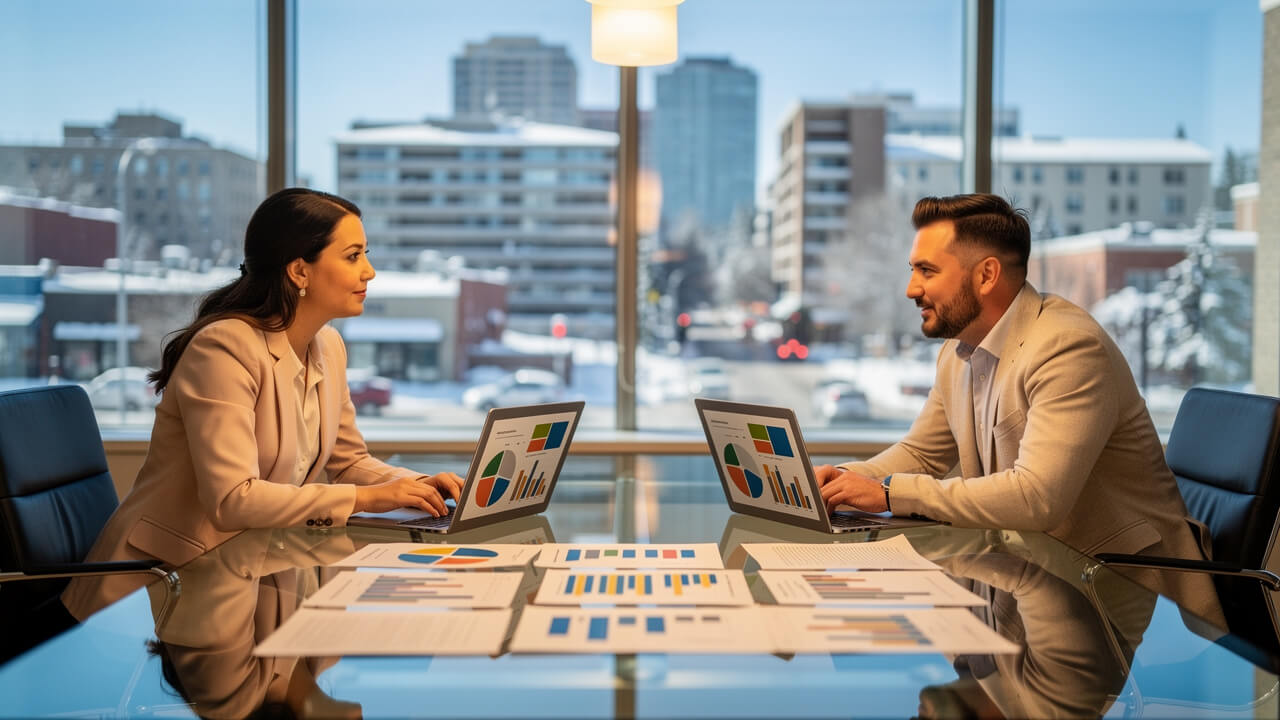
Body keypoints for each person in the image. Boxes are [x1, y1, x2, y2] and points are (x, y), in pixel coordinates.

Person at [814, 193, 1222, 623]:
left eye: (927, 271)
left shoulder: (1068, 348)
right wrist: (847, 479)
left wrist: (888, 493)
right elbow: (922, 454)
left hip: (1119, 594)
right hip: (1031, 581)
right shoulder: (959, 352)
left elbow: (1036, 497)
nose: (911, 289)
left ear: (987, 274)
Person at [63, 188, 462, 620]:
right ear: (299, 271)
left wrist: (417, 486)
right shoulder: (223, 348)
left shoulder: (328, 345)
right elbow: (233, 499)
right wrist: (367, 498)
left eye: (366, 254)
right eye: (352, 256)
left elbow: (348, 463)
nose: (370, 271)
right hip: (156, 590)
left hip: (246, 577)